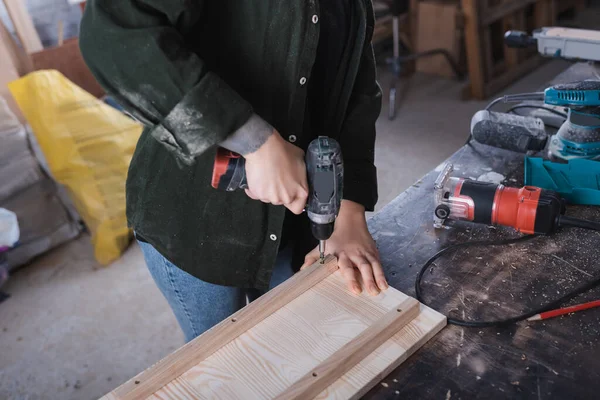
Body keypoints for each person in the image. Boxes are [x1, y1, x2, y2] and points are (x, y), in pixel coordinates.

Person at [79, 0, 387, 342]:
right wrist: (255, 141)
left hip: (292, 219)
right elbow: (114, 34)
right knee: (221, 363)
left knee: (292, 347)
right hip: (192, 221)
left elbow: (357, 85)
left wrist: (349, 210)